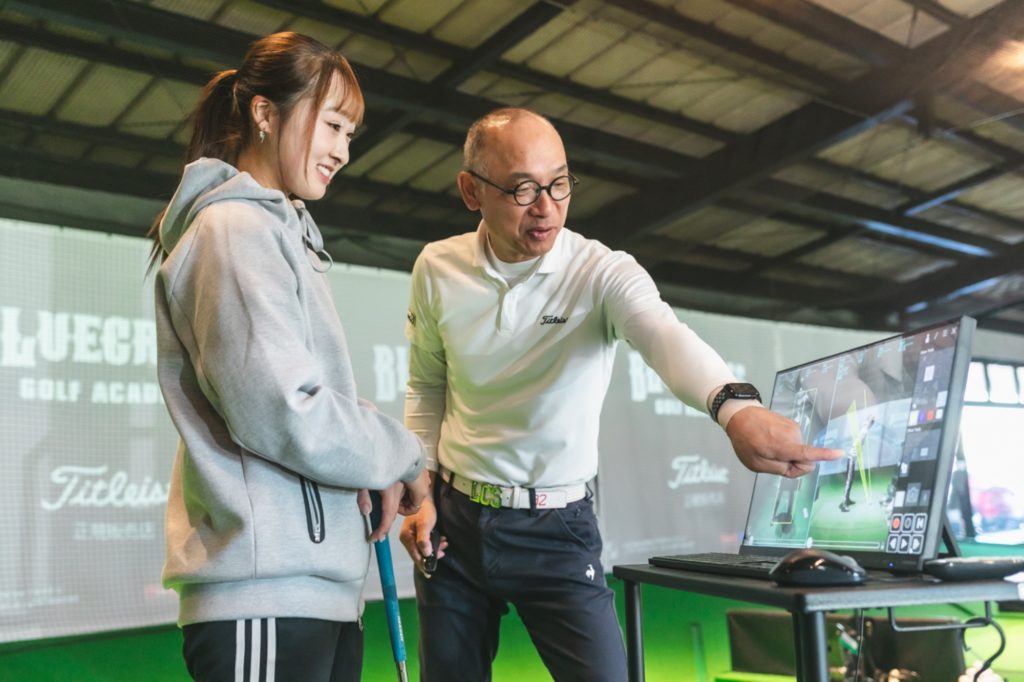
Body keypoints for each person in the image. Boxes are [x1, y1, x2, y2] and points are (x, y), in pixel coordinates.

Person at [398, 107, 844, 681]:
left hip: (557, 528)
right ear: (471, 190)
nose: (546, 207)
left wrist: (736, 408)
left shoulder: (601, 270)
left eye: (560, 184)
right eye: (522, 189)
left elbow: (663, 335)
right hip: (455, 524)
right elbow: (427, 385)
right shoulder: (436, 267)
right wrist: (423, 487)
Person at [149, 32, 427, 682]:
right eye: (332, 125)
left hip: (310, 593)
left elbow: (306, 396)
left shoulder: (282, 233)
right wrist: (403, 454)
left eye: (350, 134)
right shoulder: (234, 229)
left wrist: (375, 460)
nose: (343, 151)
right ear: (265, 114)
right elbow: (283, 410)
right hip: (261, 599)